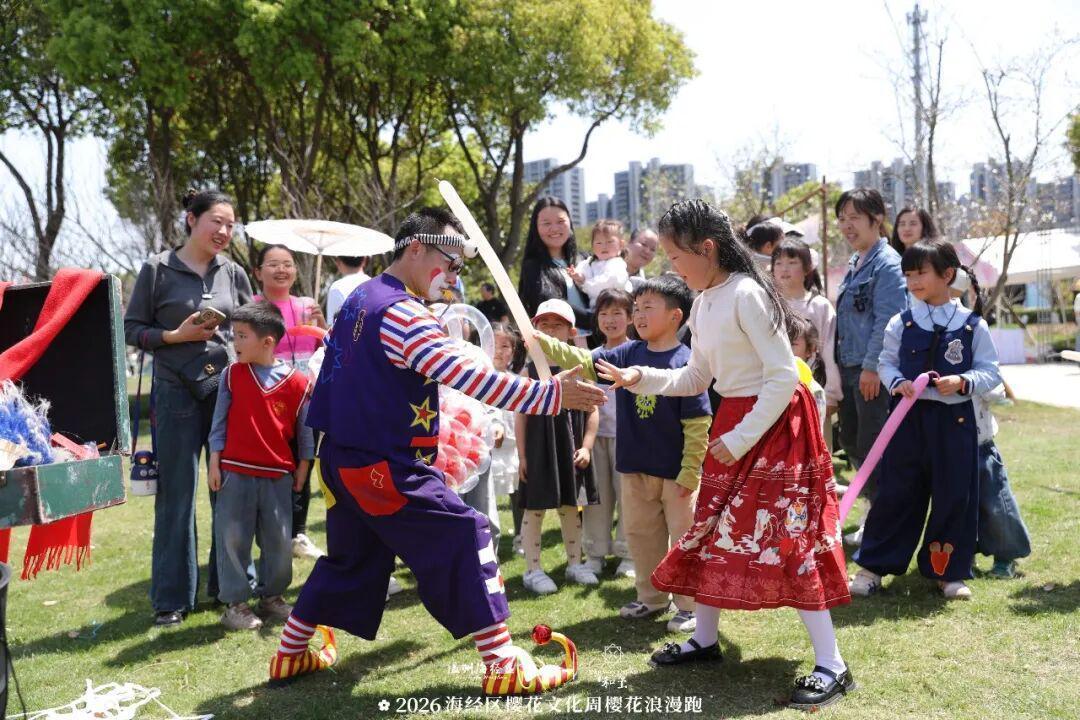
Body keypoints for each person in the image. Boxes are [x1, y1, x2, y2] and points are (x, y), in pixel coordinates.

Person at [267, 207, 605, 694]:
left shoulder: (362, 296)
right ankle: (501, 663)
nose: (451, 277)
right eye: (449, 262)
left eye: (459, 269)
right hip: (381, 462)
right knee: (467, 532)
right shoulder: (402, 313)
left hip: (343, 458)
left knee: (352, 558)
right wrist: (550, 396)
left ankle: (289, 653)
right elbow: (470, 377)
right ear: (415, 249)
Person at [597, 200, 853, 710]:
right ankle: (705, 640)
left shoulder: (748, 294)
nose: (672, 266)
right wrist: (638, 377)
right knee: (711, 527)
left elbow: (783, 376)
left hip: (775, 423)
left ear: (706, 248)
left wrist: (739, 438)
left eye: (675, 256)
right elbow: (696, 377)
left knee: (789, 540)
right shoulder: (704, 300)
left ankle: (833, 664)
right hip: (739, 420)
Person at [537, 276, 712, 635]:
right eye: (638, 308)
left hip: (676, 474)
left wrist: (690, 472)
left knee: (683, 539)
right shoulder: (627, 353)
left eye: (649, 307)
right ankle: (651, 599)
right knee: (641, 536)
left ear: (676, 316)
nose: (640, 314)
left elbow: (698, 421)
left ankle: (688, 606)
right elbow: (585, 362)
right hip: (633, 468)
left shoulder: (687, 362)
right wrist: (538, 339)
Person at [124, 188, 253, 627]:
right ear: (191, 219)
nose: (223, 231)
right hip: (172, 391)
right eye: (216, 221)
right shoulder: (157, 270)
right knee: (177, 494)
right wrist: (174, 337)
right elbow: (132, 329)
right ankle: (171, 601)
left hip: (224, 390)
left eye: (230, 225)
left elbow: (251, 325)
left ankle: (229, 589)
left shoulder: (233, 272)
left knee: (228, 492)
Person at [851, 239, 1001, 600]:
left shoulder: (971, 325)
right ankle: (872, 568)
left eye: (921, 272)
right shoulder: (900, 323)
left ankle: (947, 572)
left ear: (947, 275)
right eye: (908, 273)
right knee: (895, 495)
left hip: (955, 423)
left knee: (954, 497)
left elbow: (990, 372)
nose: (912, 280)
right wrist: (898, 383)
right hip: (908, 422)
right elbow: (886, 363)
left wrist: (964, 382)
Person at [207, 301, 314, 631]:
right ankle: (236, 606)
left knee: (279, 541)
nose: (234, 343)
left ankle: (273, 598)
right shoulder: (231, 375)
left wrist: (303, 468)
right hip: (234, 472)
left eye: (241, 336)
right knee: (232, 539)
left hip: (278, 475)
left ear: (267, 342)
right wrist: (214, 462)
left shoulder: (298, 383)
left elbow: (305, 432)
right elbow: (219, 424)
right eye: (233, 335)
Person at [834, 188, 908, 546]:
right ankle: (873, 513)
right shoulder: (856, 261)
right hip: (849, 367)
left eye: (854, 218)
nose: (847, 226)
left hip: (870, 371)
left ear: (876, 219)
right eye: (842, 219)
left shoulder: (888, 264)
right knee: (852, 442)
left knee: (873, 448)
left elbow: (888, 320)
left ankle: (881, 523)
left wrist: (872, 368)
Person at [515, 299, 602, 594]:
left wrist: (587, 446)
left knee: (570, 507)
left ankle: (575, 564)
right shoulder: (529, 370)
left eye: (558, 325)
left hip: (571, 448)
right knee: (535, 508)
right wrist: (523, 455)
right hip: (540, 449)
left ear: (571, 331)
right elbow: (521, 416)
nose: (550, 331)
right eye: (544, 325)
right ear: (534, 329)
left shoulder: (580, 366)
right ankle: (532, 570)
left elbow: (593, 411)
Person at [252, 244, 328, 560]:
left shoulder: (307, 304)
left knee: (304, 462)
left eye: (288, 263)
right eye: (273, 264)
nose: (282, 269)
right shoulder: (254, 306)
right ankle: (271, 533)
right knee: (273, 467)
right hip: (268, 395)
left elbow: (325, 347)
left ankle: (297, 533)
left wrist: (322, 326)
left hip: (307, 396)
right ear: (258, 272)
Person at [582, 288, 635, 579]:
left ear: (629, 317)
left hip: (628, 438)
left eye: (617, 313)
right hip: (597, 436)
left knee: (629, 498)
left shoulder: (637, 354)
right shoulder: (592, 357)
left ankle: (629, 554)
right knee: (597, 496)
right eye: (604, 313)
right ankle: (595, 553)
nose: (610, 319)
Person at [771, 237, 842, 422]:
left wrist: (831, 393)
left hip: (813, 391)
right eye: (778, 263)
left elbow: (829, 348)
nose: (784, 268)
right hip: (773, 394)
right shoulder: (767, 305)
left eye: (792, 262)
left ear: (808, 267)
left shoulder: (819, 306)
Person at [518, 196, 591, 332]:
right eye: (546, 223)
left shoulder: (585, 260)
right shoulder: (533, 267)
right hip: (560, 348)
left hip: (597, 346)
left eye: (560, 221)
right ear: (536, 228)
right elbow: (554, 306)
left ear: (570, 223)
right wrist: (595, 320)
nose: (554, 228)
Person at [487, 323, 524, 557]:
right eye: (494, 345)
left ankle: (521, 535)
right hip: (489, 446)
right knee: (488, 494)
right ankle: (488, 539)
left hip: (513, 445)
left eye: (505, 346)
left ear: (514, 350)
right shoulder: (479, 378)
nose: (499, 351)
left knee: (518, 490)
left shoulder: (517, 381)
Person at [571, 220, 629, 308]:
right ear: (592, 246)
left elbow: (607, 285)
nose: (604, 246)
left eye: (609, 242)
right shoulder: (590, 262)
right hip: (596, 308)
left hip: (616, 307)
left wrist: (585, 282)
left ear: (621, 244)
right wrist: (578, 276)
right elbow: (582, 270)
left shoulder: (617, 264)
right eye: (599, 243)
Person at [326, 256, 370, 323]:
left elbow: (332, 327)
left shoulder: (337, 287)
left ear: (338, 262)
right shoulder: (375, 284)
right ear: (364, 260)